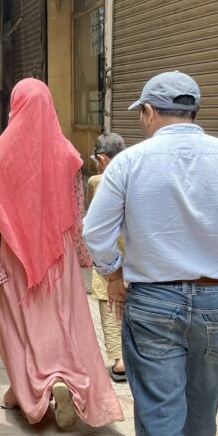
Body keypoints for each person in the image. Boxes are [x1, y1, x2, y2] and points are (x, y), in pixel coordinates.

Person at [83, 71, 218, 436]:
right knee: (204, 393)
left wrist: (112, 273)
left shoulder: (129, 162)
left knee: (160, 409)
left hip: (154, 301)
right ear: (193, 110)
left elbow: (96, 232)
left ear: (149, 112)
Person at [0, 78, 123, 431]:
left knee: (18, 327)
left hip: (14, 253)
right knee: (62, 322)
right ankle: (60, 380)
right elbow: (76, 210)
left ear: (15, 107)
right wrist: (81, 253)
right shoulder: (65, 152)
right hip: (57, 256)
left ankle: (31, 388)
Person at [87, 133, 127, 382]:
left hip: (111, 256)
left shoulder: (97, 181)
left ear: (102, 158)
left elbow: (95, 223)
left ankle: (119, 360)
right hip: (139, 255)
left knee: (109, 303)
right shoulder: (138, 172)